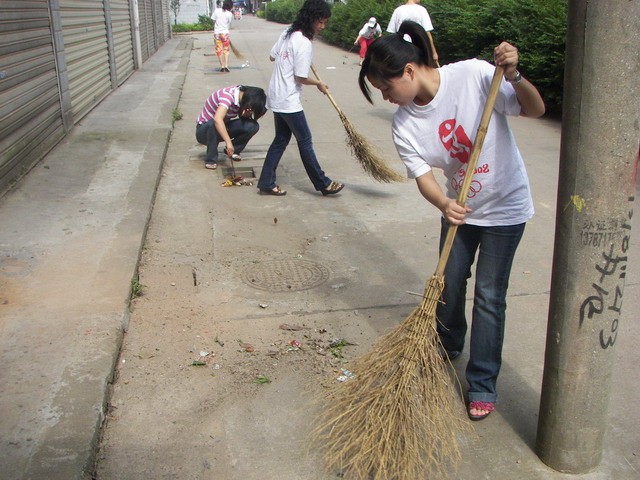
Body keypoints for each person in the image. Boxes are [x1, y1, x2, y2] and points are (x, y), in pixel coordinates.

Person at [359, 21, 545, 421]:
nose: (388, 98)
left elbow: (535, 108)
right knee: (449, 281)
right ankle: (449, 341)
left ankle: (482, 383)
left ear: (408, 71)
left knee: (490, 296)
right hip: (458, 211)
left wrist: (513, 74)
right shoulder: (404, 123)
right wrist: (444, 202)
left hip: (505, 208)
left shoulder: (475, 75)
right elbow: (424, 177)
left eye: (387, 88)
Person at [257, 0, 344, 197]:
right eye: (319, 22)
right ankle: (323, 183)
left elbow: (272, 56)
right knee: (305, 139)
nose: (322, 27)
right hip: (288, 99)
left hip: (276, 95)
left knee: (280, 139)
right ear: (310, 19)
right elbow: (300, 77)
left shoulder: (288, 33)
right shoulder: (303, 43)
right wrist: (319, 84)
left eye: (325, 23)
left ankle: (266, 182)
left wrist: (286, 56)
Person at [196, 85, 267, 169]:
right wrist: (228, 142)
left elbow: (242, 118)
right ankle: (211, 159)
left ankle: (233, 150)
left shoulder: (242, 97)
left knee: (252, 126)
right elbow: (217, 120)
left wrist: (247, 114)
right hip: (204, 131)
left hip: (223, 127)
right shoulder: (227, 97)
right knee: (213, 124)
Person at [386, 0, 438, 66]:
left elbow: (392, 35)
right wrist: (433, 53)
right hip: (419, 49)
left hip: (401, 50)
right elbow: (427, 34)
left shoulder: (397, 11)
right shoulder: (421, 10)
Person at [212, 0, 233, 72]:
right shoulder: (229, 14)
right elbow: (229, 22)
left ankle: (222, 66)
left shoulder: (216, 11)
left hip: (217, 33)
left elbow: (213, 20)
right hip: (225, 33)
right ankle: (226, 65)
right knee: (226, 49)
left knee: (219, 50)